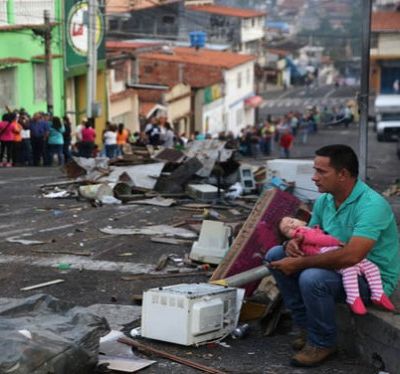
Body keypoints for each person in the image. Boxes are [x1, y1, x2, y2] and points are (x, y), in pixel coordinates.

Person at [265, 144, 400, 367]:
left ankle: (323, 342)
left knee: (312, 277)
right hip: (337, 267)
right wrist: (292, 244)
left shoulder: (372, 205)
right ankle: (307, 328)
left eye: (321, 172)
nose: (315, 178)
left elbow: (352, 256)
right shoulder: (325, 200)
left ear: (343, 175)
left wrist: (299, 263)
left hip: (368, 278)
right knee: (275, 254)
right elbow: (311, 237)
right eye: (314, 170)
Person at [279, 216, 395, 315]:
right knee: (348, 269)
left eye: (291, 221)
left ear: (302, 220)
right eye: (287, 230)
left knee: (371, 267)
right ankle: (353, 298)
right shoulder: (302, 234)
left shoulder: (311, 228)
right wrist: (336, 241)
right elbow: (319, 240)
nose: (291, 226)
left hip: (341, 252)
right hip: (327, 255)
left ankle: (378, 294)